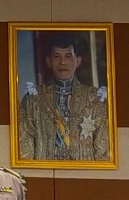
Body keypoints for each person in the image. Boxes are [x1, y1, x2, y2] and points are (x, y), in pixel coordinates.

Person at [16, 33, 110, 162]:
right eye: (56, 56)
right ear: (48, 61)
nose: (63, 62)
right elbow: (24, 149)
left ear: (78, 61)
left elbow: (103, 151)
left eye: (68, 56)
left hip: (84, 170)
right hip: (44, 169)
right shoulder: (32, 99)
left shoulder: (95, 99)